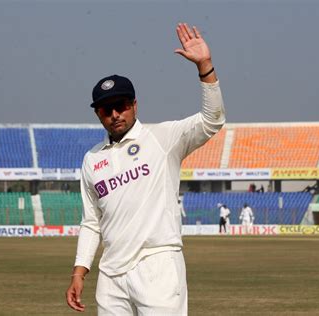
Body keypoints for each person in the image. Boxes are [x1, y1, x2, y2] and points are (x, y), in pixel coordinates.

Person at [66, 22, 225, 315]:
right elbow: (91, 222)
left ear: (135, 105)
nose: (115, 115)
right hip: (111, 276)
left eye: (121, 105)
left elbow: (211, 121)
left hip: (157, 266)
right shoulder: (92, 159)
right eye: (105, 109)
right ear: (97, 114)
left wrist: (205, 66)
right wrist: (79, 271)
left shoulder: (162, 138)